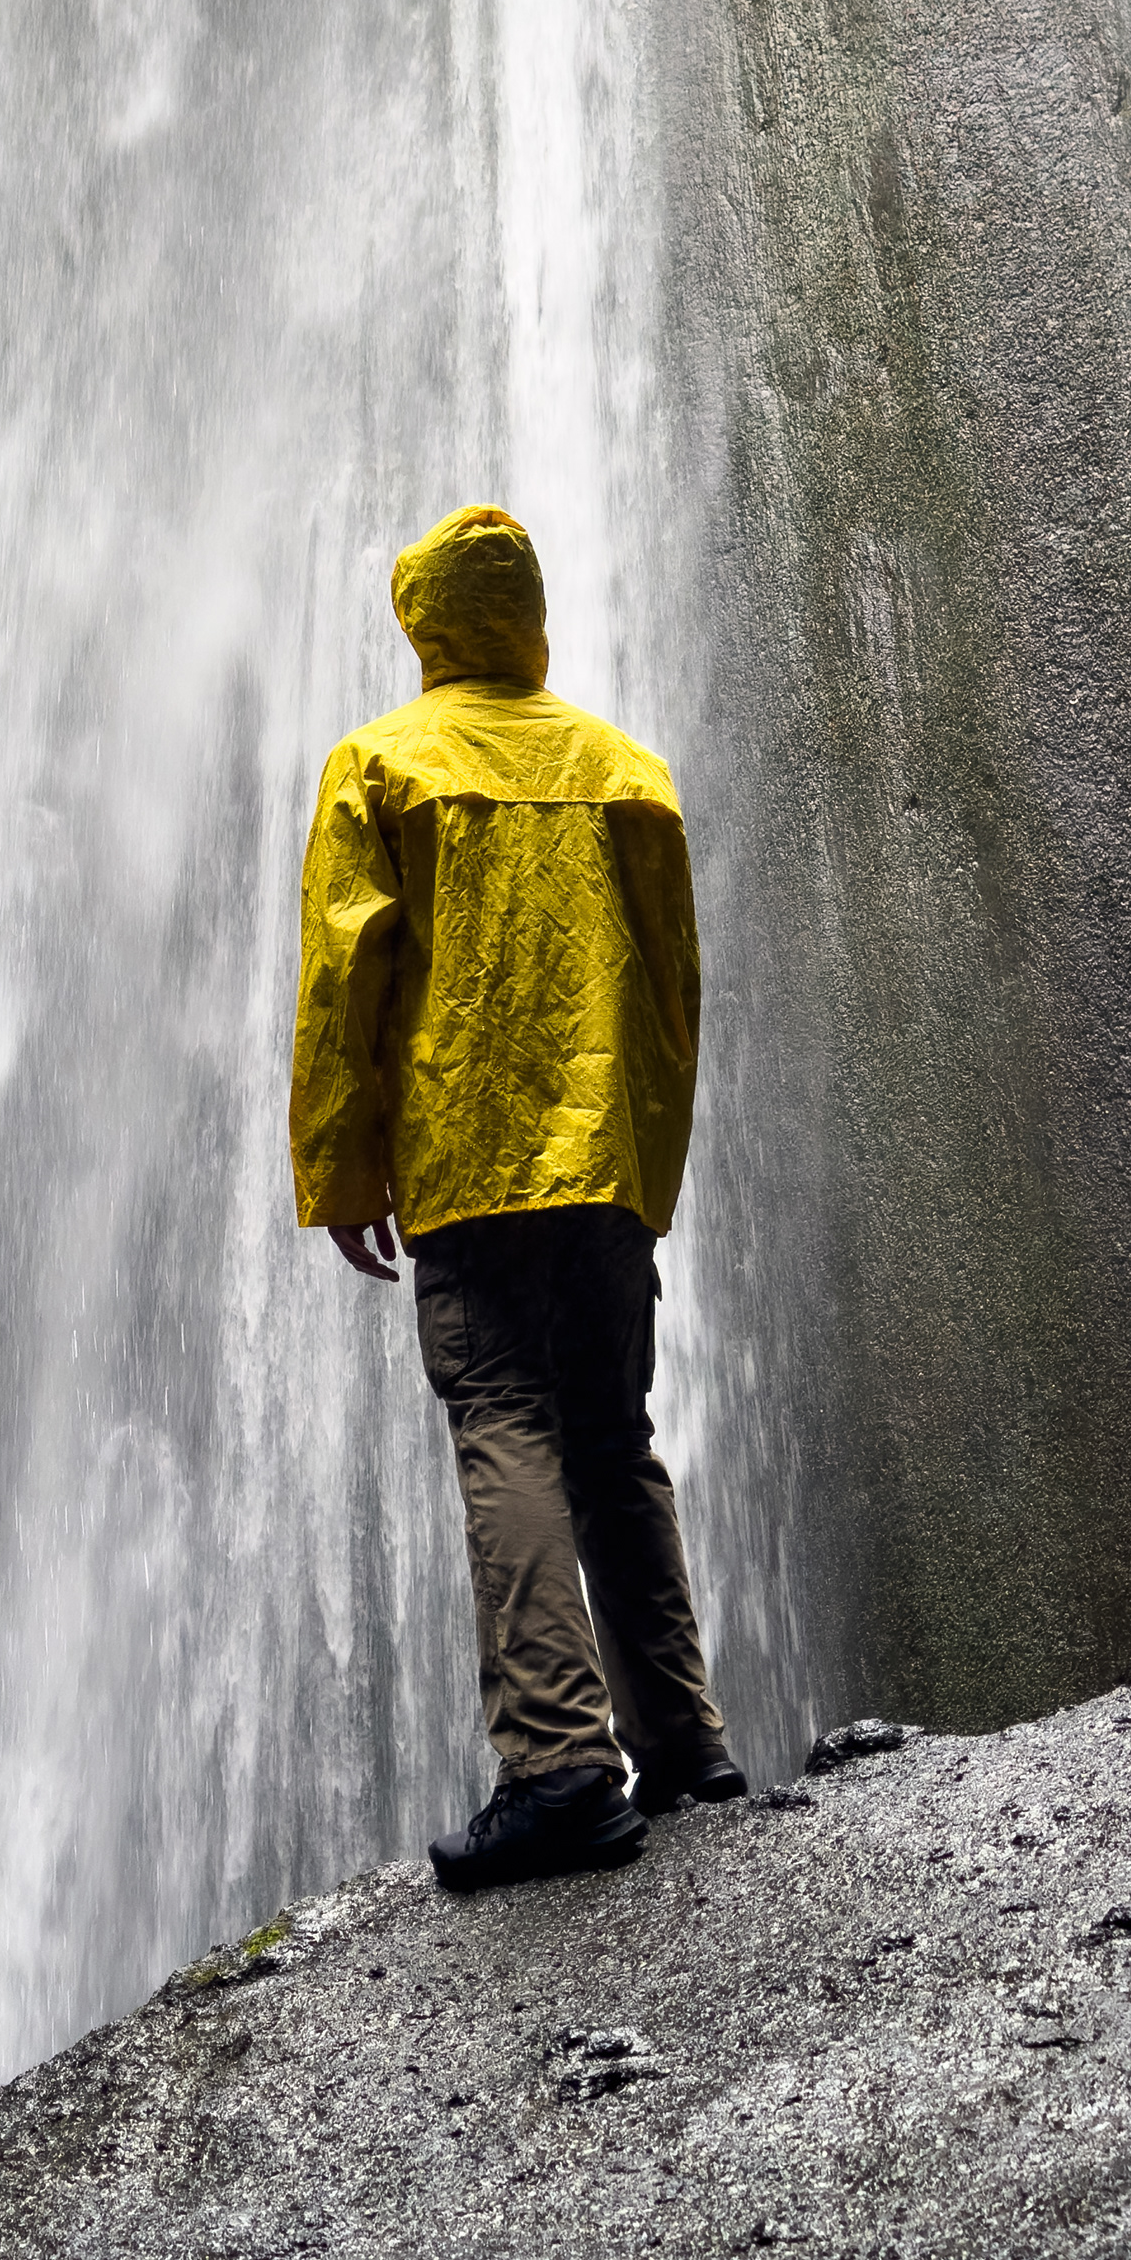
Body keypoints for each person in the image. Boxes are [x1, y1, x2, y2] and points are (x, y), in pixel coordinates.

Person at [288, 500, 745, 1891]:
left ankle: (558, 1765)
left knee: (507, 1425)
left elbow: (342, 986)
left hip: (471, 1168)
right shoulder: (627, 772)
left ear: (422, 620)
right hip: (601, 1166)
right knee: (615, 1436)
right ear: (531, 614)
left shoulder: (381, 763)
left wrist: (344, 1168)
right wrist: (643, 1174)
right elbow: (675, 998)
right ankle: (685, 1741)